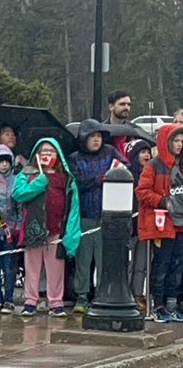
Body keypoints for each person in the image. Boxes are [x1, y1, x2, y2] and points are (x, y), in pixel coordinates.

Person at [12, 137, 81, 318]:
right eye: (44, 151)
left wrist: (71, 232)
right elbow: (18, 194)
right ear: (37, 154)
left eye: (51, 151)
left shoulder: (65, 177)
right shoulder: (27, 174)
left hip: (57, 229)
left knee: (56, 268)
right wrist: (37, 184)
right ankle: (30, 301)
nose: (47, 154)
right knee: (32, 267)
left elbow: (73, 204)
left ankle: (56, 302)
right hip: (33, 229)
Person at [69, 119, 122, 315]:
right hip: (84, 215)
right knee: (83, 259)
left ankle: (102, 294)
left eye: (99, 136)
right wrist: (98, 180)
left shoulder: (110, 152)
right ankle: (82, 296)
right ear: (84, 138)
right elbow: (76, 182)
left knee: (103, 259)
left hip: (107, 215)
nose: (96, 140)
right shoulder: (74, 158)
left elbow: (123, 169)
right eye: (92, 136)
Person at [135, 124, 183, 322]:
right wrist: (162, 201)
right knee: (161, 265)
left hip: (180, 223)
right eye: (176, 141)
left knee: (177, 266)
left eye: (182, 141)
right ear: (167, 142)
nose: (180, 145)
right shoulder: (154, 165)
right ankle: (159, 303)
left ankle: (173, 302)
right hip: (163, 223)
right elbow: (142, 191)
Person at [0, 144, 21, 313]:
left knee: (9, 267)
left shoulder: (16, 180)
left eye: (7, 161)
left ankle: (9, 299)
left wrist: (18, 227)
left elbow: (20, 206)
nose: (5, 165)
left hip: (11, 231)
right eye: (1, 162)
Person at [127, 138, 153, 310]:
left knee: (141, 265)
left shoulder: (152, 174)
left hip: (145, 227)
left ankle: (138, 293)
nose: (146, 155)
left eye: (148, 152)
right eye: (142, 152)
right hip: (129, 227)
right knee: (128, 264)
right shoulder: (127, 174)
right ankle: (126, 292)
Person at [106, 90, 133, 162]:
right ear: (111, 107)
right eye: (122, 104)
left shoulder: (133, 131)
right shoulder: (102, 131)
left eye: (129, 104)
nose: (126, 107)